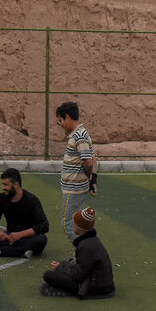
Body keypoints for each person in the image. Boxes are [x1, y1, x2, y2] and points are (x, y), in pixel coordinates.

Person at [40, 206, 115, 299]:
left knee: (48, 275)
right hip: (100, 283)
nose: (72, 226)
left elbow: (78, 275)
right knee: (64, 267)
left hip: (94, 287)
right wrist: (63, 265)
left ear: (80, 227)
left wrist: (60, 267)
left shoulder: (86, 246)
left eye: (74, 224)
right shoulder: (92, 240)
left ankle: (70, 290)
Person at [0, 168, 49, 258]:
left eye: (6, 185)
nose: (3, 188)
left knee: (41, 239)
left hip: (25, 238)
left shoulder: (32, 200)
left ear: (16, 184)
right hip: (9, 238)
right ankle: (21, 252)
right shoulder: (1, 198)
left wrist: (20, 235)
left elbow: (44, 226)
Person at [56, 101, 98, 243]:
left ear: (67, 117)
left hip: (74, 189)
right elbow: (93, 157)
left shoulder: (79, 135)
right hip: (75, 188)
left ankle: (80, 256)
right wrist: (93, 180)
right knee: (77, 223)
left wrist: (89, 176)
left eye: (61, 120)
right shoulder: (81, 133)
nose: (61, 124)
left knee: (67, 224)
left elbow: (88, 161)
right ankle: (83, 255)